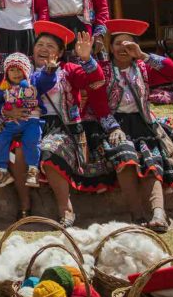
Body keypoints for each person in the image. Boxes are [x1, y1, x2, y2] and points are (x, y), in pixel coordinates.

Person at [90, 19, 173, 232]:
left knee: (152, 160)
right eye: (118, 43)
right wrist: (113, 128)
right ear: (110, 47)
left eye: (129, 44)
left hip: (143, 123)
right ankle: (137, 216)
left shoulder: (144, 69)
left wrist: (144, 56)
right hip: (114, 124)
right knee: (125, 159)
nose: (123, 48)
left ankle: (158, 214)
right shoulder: (103, 70)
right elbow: (99, 105)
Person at [7, 21, 108, 227]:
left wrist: (87, 58)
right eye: (40, 45)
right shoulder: (22, 73)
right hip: (30, 125)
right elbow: (4, 98)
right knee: (16, 152)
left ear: (61, 53)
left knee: (49, 150)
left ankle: (66, 209)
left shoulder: (69, 70)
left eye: (50, 46)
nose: (43, 49)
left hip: (62, 126)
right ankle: (25, 206)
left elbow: (96, 81)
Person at [0, 52, 56, 189]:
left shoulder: (34, 82)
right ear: (6, 73)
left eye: (19, 69)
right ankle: (2, 171)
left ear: (26, 70)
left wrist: (49, 71)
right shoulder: (4, 89)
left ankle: (32, 170)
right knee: (0, 141)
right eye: (12, 70)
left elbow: (46, 81)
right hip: (10, 123)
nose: (16, 73)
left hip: (31, 121)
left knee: (31, 140)